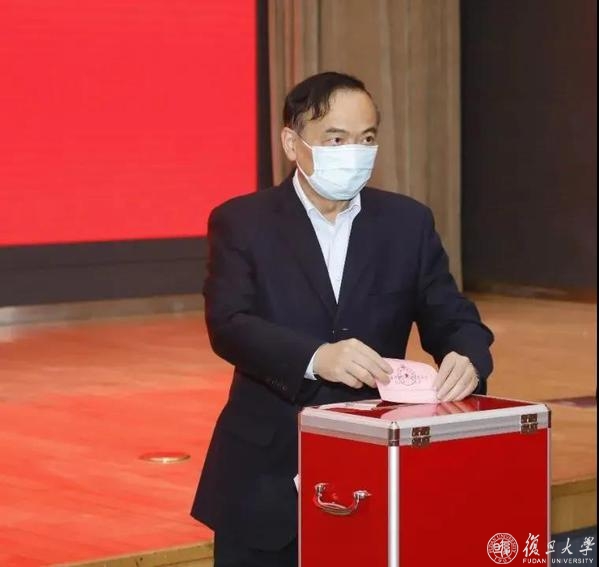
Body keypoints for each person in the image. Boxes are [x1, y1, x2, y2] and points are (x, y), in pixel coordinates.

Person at [190, 71, 494, 567]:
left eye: (366, 138)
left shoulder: (407, 223)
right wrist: (315, 358)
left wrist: (468, 356)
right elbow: (229, 323)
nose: (354, 152)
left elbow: (452, 315)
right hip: (267, 475)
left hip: (376, 468)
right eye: (336, 139)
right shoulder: (242, 222)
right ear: (293, 143)